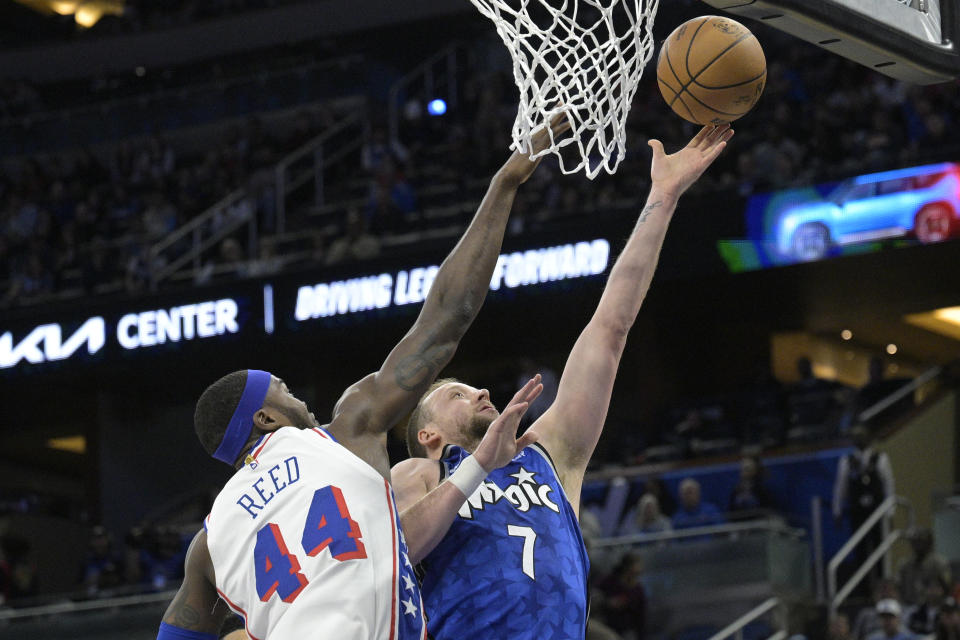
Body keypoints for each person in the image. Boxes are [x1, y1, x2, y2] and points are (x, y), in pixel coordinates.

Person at [156, 119, 568, 640]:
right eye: (284, 389)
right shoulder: (345, 432)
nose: (300, 398)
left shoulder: (208, 544)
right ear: (263, 416)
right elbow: (447, 317)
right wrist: (504, 184)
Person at [391, 124, 735, 639]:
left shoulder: (550, 453)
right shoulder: (421, 473)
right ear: (428, 434)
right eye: (456, 395)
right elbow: (398, 555)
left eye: (475, 388)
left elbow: (610, 330)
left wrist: (663, 198)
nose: (481, 393)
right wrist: (480, 463)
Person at [832, 424, 895, 575]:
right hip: (858, 511)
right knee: (860, 551)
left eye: (861, 436)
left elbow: (889, 485)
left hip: (877, 512)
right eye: (855, 436)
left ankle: (881, 584)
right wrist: (837, 509)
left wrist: (891, 511)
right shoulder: (847, 461)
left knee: (880, 549)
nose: (859, 439)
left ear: (869, 438)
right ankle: (864, 589)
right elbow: (840, 488)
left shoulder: (880, 458)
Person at [898, 528, 953, 605]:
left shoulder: (939, 563)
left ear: (929, 543)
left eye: (920, 541)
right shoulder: (905, 564)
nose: (916, 545)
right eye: (914, 542)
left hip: (933, 606)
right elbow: (900, 587)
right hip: (909, 606)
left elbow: (947, 587)